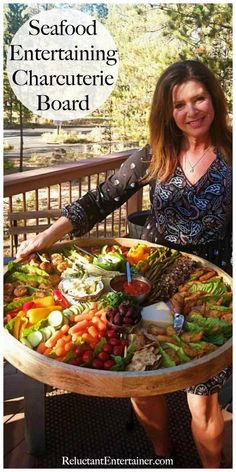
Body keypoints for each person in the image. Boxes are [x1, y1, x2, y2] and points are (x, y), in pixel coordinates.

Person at [16, 60, 232, 468]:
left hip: (208, 288)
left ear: (214, 100)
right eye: (180, 104)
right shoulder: (157, 153)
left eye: (199, 98)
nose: (191, 111)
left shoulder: (232, 155)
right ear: (167, 111)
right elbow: (101, 198)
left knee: (202, 399)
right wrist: (47, 236)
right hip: (148, 281)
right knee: (142, 380)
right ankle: (162, 456)